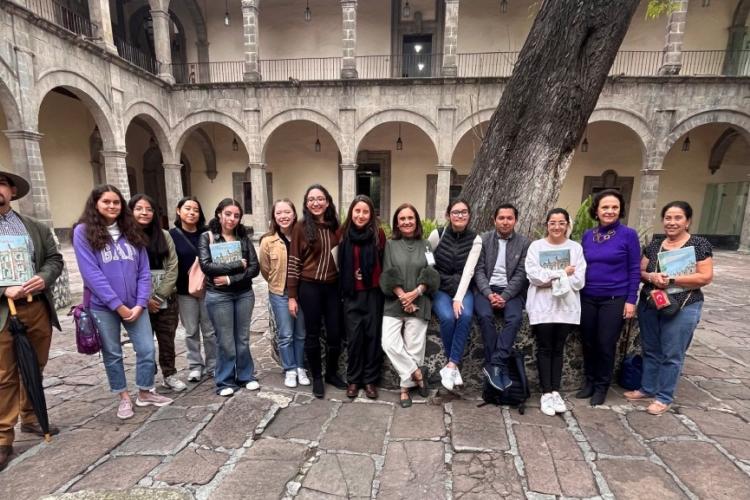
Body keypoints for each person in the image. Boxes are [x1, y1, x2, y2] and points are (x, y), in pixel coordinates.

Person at [73, 185, 173, 421]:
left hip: (136, 305)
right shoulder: (83, 232)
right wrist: (117, 305)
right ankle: (124, 397)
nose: (111, 206)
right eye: (106, 202)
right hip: (103, 306)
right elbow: (91, 274)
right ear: (95, 203)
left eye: (116, 202)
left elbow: (143, 271)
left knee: (147, 348)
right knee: (113, 353)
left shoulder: (131, 231)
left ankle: (145, 391)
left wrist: (140, 303)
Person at [0, 171, 64, 471]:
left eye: (1, 184)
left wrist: (43, 277)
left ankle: (30, 415)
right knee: (4, 375)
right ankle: (2, 437)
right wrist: (3, 289)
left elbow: (54, 258)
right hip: (3, 310)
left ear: (12, 190)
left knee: (35, 366)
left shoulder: (33, 227)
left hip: (35, 306)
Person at [625, 201, 713, 415]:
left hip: (683, 305)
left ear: (688, 221)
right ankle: (647, 388)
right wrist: (651, 276)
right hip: (652, 302)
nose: (672, 222)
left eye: (677, 218)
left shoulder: (698, 244)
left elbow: (705, 276)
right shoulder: (655, 244)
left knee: (672, 353)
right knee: (650, 349)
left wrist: (672, 278)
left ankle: (664, 396)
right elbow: (641, 271)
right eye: (668, 218)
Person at [578, 189, 640, 405]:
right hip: (587, 297)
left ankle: (601, 386)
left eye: (614, 207)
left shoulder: (628, 235)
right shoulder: (587, 235)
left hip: (614, 299)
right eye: (605, 207)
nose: (610, 211)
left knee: (605, 344)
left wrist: (631, 299)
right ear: (596, 210)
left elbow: (634, 268)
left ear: (621, 209)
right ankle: (589, 381)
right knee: (587, 342)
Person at [525, 208, 586, 416]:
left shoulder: (575, 248)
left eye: (561, 222)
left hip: (565, 307)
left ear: (567, 225)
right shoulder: (536, 247)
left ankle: (555, 391)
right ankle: (545, 392)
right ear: (547, 225)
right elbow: (534, 277)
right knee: (544, 347)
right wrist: (562, 273)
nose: (557, 227)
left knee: (558, 348)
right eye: (553, 222)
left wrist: (549, 277)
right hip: (542, 307)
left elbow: (578, 280)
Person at [287, 185, 345, 399]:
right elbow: (293, 262)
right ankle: (317, 378)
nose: (316, 203)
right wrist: (292, 295)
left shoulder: (335, 226)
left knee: (335, 333)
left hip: (332, 288)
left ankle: (331, 373)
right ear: (306, 204)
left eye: (320, 198)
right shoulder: (300, 227)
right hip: (309, 287)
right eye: (311, 199)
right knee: (311, 333)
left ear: (327, 202)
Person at [198, 198, 260, 397]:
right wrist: (236, 266)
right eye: (228, 214)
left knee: (242, 338)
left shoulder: (243, 238)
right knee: (225, 340)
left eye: (236, 215)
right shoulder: (207, 237)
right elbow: (206, 266)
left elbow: (254, 268)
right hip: (218, 296)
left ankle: (245, 376)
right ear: (219, 214)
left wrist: (230, 279)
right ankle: (224, 380)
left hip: (243, 294)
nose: (232, 219)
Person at [380, 203, 440, 408]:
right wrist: (402, 296)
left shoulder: (426, 245)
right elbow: (387, 272)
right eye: (402, 218)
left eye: (410, 218)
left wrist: (415, 294)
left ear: (416, 220)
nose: (406, 222)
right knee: (388, 342)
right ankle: (417, 374)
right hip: (394, 301)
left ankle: (405, 389)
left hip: (420, 301)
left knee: (414, 346)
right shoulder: (390, 245)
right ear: (397, 222)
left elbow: (431, 273)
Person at [129, 194, 185, 392]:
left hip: (166, 297)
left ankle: (169, 374)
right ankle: (148, 377)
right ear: (130, 211)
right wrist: (144, 299)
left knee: (166, 338)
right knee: (144, 342)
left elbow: (173, 266)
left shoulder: (164, 235)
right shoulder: (125, 238)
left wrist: (159, 296)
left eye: (149, 209)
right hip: (137, 300)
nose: (144, 213)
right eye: (139, 208)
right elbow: (125, 273)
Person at [473, 203, 531, 391]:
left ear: (515, 220)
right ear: (494, 220)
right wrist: (490, 295)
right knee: (484, 316)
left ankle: (495, 363)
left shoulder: (524, 243)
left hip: (511, 292)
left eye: (509, 218)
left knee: (514, 318)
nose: (505, 222)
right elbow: (479, 270)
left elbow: (521, 274)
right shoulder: (483, 240)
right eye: (501, 218)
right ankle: (496, 365)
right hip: (485, 290)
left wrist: (504, 296)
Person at [427, 199, 482, 391]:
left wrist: (458, 298)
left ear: (469, 215)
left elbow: (469, 270)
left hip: (463, 288)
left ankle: (451, 365)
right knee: (448, 317)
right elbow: (427, 259)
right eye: (456, 212)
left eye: (464, 212)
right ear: (448, 215)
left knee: (465, 315)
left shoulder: (476, 239)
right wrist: (431, 281)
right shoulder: (438, 234)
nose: (460, 216)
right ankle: (454, 366)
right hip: (440, 288)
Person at [338, 195, 386, 399]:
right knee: (354, 338)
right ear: (351, 213)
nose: (361, 215)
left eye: (365, 211)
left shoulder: (378, 235)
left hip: (373, 293)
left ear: (371, 214)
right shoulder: (343, 234)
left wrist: (368, 275)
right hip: (351, 294)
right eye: (357, 211)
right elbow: (338, 263)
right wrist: (352, 275)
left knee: (372, 338)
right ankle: (354, 380)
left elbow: (384, 263)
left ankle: (370, 381)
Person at [259, 199, 309, 389]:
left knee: (300, 333)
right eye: (279, 213)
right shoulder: (267, 241)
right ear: (274, 216)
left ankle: (300, 367)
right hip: (279, 292)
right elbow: (265, 269)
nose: (283, 216)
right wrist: (278, 285)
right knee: (286, 333)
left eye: (287, 212)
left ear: (294, 214)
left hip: (302, 291)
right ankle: (289, 368)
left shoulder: (303, 237)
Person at [170, 196, 216, 383]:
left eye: (195, 210)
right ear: (178, 211)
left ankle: (213, 365)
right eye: (187, 208)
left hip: (207, 288)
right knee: (190, 331)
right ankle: (195, 366)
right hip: (184, 290)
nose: (191, 213)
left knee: (210, 330)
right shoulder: (171, 235)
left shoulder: (208, 234)